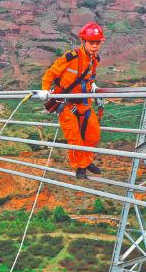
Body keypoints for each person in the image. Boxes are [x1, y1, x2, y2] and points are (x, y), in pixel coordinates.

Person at [35, 22, 105, 179]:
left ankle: (86, 161)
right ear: (84, 42)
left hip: (83, 102)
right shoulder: (71, 57)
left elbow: (88, 78)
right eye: (91, 43)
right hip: (65, 103)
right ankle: (79, 167)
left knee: (93, 134)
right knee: (74, 137)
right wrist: (45, 90)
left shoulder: (94, 61)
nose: (94, 46)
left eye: (97, 43)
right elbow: (50, 73)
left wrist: (92, 85)